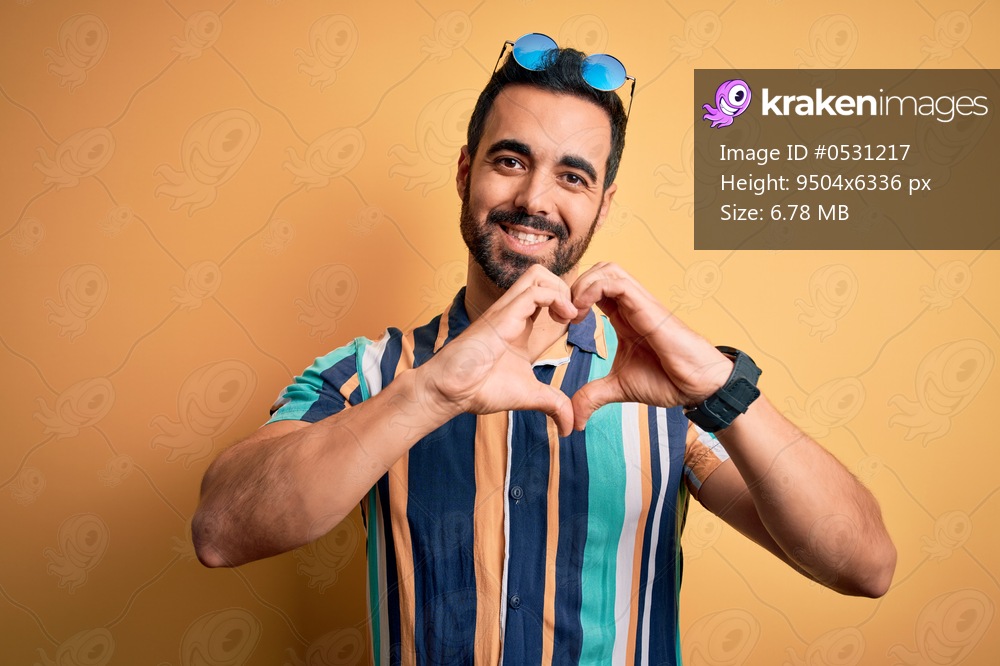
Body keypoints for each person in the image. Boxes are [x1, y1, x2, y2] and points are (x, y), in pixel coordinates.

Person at [193, 35, 895, 665]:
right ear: (466, 172)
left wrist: (721, 387)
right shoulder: (372, 375)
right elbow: (221, 531)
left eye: (572, 176)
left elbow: (862, 566)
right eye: (510, 160)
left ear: (602, 204)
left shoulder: (670, 397)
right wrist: (427, 394)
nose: (534, 198)